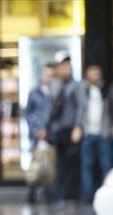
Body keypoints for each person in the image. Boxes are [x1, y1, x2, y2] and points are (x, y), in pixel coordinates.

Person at [75, 65, 113, 203]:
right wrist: (77, 127)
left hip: (103, 132)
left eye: (97, 72)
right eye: (92, 72)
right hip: (87, 132)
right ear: (87, 74)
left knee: (105, 164)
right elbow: (78, 109)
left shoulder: (107, 89)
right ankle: (87, 196)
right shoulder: (82, 89)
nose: (95, 75)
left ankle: (107, 195)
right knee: (86, 165)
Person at [47, 54, 81, 202]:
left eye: (67, 67)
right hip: (57, 129)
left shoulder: (76, 85)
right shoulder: (56, 84)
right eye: (62, 67)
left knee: (72, 163)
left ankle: (71, 194)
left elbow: (81, 107)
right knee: (59, 163)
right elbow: (51, 105)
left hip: (71, 128)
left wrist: (78, 127)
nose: (64, 70)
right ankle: (59, 194)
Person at [24, 63, 55, 204]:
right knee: (36, 163)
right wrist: (36, 129)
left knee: (50, 164)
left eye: (51, 75)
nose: (49, 78)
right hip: (38, 135)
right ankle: (32, 193)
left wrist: (49, 130)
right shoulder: (35, 93)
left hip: (51, 135)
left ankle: (49, 194)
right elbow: (28, 113)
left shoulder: (56, 92)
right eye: (47, 74)